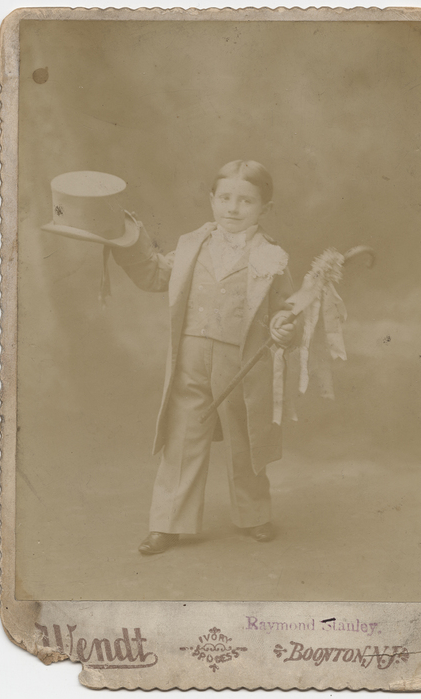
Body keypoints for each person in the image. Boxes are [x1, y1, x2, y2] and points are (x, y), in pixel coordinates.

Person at [112, 160, 296, 554]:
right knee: (182, 435)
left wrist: (284, 326)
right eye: (225, 198)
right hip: (191, 357)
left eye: (245, 200)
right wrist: (125, 238)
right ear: (212, 199)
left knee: (245, 437)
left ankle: (254, 514)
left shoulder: (272, 256)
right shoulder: (192, 245)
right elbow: (154, 275)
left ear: (264, 208)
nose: (233, 208)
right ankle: (167, 522)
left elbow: (286, 308)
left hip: (242, 362)